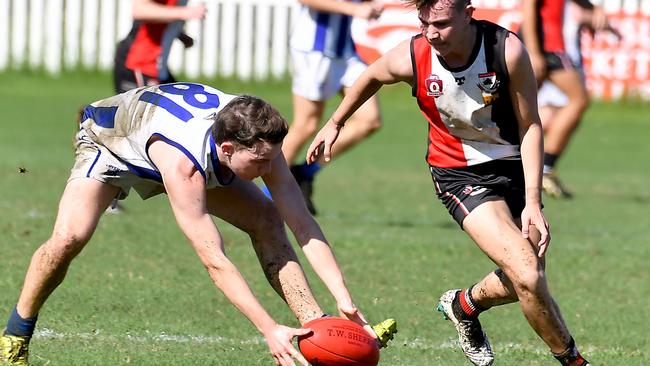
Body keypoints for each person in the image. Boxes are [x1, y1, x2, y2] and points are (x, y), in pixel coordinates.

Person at [0, 83, 396, 366]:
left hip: (168, 136)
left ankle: (316, 327)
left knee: (268, 218)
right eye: (259, 163)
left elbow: (302, 223)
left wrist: (343, 298)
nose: (268, 169)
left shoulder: (259, 142)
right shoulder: (185, 165)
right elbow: (215, 259)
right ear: (227, 149)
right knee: (70, 237)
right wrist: (267, 327)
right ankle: (16, 333)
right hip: (111, 143)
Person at [306, 0, 589, 365]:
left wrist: (532, 201)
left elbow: (530, 125)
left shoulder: (504, 49)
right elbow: (373, 74)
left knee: (526, 278)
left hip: (514, 168)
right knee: (529, 276)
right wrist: (335, 122)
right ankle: (574, 361)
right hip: (459, 172)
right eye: (425, 23)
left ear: (468, 14)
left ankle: (463, 304)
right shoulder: (415, 54)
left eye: (440, 24)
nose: (431, 33)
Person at [282, 0, 385, 214]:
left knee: (370, 120)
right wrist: (354, 9)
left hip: (346, 52)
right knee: (306, 125)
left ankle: (304, 173)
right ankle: (265, 194)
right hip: (313, 51)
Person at [520, 0, 610, 199]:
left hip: (548, 46)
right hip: (544, 46)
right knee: (578, 100)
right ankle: (544, 167)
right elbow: (528, 7)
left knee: (519, 109)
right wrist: (534, 51)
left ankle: (539, 167)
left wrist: (594, 9)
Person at [113, 0, 206, 94]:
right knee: (143, 108)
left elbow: (164, 16)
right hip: (139, 62)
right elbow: (139, 9)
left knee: (178, 105)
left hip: (157, 66)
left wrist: (179, 34)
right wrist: (183, 12)